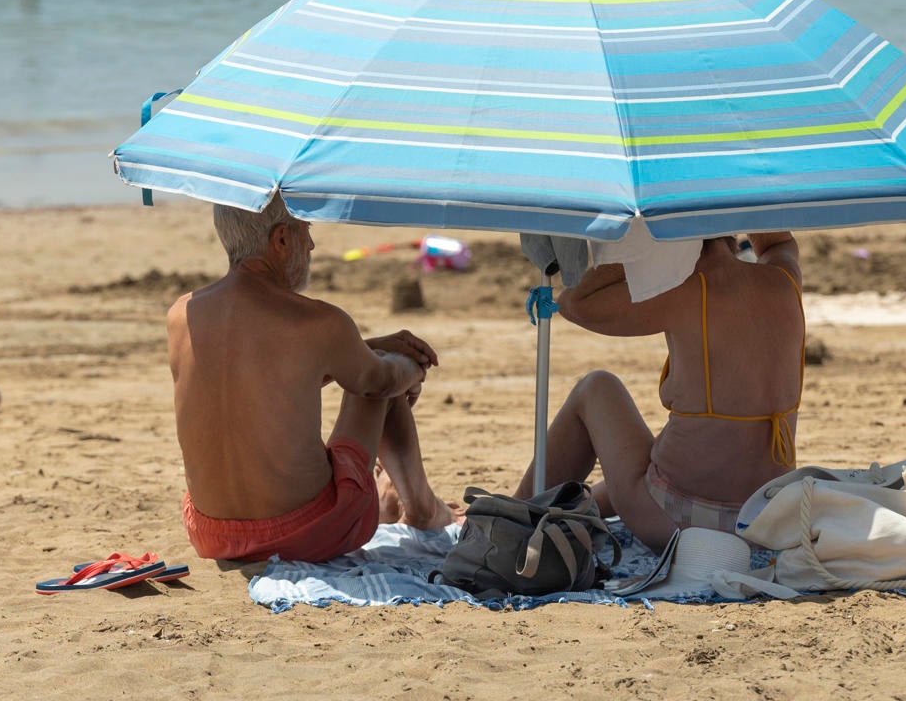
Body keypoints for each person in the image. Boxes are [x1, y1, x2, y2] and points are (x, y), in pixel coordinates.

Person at [169, 195, 456, 565]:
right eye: (306, 230)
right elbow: (380, 382)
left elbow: (265, 381)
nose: (312, 244)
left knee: (368, 362)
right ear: (282, 240)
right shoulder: (318, 323)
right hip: (307, 534)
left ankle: (405, 499)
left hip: (211, 535)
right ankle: (423, 511)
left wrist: (361, 347)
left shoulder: (181, 314)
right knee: (379, 370)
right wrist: (412, 366)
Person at [519, 233, 804, 549]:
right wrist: (737, 209)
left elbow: (573, 303)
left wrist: (642, 242)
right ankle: (572, 507)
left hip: (681, 523)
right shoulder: (783, 278)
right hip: (765, 519)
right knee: (627, 477)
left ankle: (513, 516)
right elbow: (779, 243)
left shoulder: (683, 290)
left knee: (596, 387)